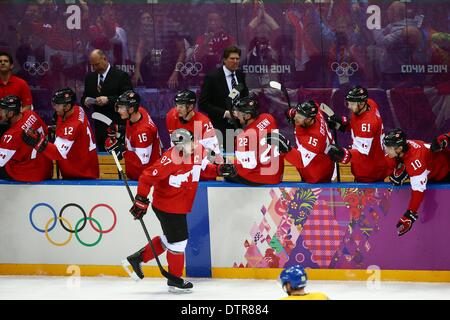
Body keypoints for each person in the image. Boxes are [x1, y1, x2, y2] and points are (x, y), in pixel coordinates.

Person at [121, 128, 234, 293]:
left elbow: (204, 167)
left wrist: (218, 170)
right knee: (179, 242)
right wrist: (141, 200)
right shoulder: (169, 159)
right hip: (167, 206)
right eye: (181, 146)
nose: (187, 148)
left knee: (171, 239)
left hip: (180, 204)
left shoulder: (199, 149)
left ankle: (138, 258)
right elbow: (146, 177)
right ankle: (174, 281)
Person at [383, 128, 450, 236]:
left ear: (399, 149)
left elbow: (418, 192)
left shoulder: (416, 162)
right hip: (435, 162)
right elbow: (387, 161)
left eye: (388, 148)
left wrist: (409, 215)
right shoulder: (404, 146)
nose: (386, 150)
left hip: (445, 170)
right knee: (396, 175)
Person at [22, 88, 99, 179]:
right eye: (54, 104)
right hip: (83, 166)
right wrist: (57, 129)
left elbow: (57, 153)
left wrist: (38, 141)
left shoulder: (72, 126)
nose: (54, 107)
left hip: (80, 175)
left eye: (57, 105)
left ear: (67, 107)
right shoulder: (77, 109)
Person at [326, 86, 391, 182]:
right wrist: (341, 125)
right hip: (376, 162)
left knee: (367, 197)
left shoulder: (367, 125)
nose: (349, 106)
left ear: (361, 103)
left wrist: (343, 154)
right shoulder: (370, 103)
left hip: (369, 173)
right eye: (348, 103)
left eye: (352, 104)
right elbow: (357, 126)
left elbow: (362, 155)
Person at [199, 46, 249, 152]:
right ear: (224, 60)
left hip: (239, 126)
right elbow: (203, 104)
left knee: (240, 158)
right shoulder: (212, 77)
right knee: (226, 161)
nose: (235, 61)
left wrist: (245, 111)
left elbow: (245, 96)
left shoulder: (240, 75)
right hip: (220, 127)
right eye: (232, 58)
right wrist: (225, 113)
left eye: (237, 59)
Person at [81, 49, 132, 151]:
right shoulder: (90, 78)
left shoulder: (121, 76)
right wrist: (85, 101)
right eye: (93, 65)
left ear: (105, 59)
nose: (95, 68)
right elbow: (84, 97)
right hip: (99, 127)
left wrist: (108, 99)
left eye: (97, 64)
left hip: (116, 124)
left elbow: (129, 98)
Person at [226, 96, 284, 185]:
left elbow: (246, 167)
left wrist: (227, 163)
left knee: (226, 171)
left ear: (248, 116)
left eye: (239, 113)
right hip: (277, 175)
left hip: (260, 178)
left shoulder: (243, 137)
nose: (236, 115)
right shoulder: (269, 118)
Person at [105, 90, 162, 180]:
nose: (118, 110)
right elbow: (134, 130)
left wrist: (122, 150)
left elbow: (142, 163)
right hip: (137, 176)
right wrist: (120, 129)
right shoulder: (139, 112)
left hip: (145, 180)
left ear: (131, 109)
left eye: (121, 108)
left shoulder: (143, 132)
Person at [0, 95, 52, 182]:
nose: (0, 113)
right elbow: (46, 132)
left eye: (2, 110)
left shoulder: (11, 135)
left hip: (30, 173)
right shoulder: (30, 114)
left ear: (10, 113)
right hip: (46, 167)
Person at [283, 100, 335, 183]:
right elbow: (316, 105)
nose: (295, 118)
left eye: (299, 117)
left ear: (309, 119)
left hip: (318, 172)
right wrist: (292, 112)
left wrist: (284, 149)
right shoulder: (314, 111)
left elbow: (301, 161)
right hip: (322, 158)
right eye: (297, 113)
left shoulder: (315, 138)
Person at [132, 11, 185, 89]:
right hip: (152, 72)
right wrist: (137, 70)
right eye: (156, 14)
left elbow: (182, 52)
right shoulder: (148, 28)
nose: (158, 17)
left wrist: (175, 73)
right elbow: (139, 50)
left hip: (170, 71)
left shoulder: (174, 27)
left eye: (161, 13)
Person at [166, 89, 221, 162]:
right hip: (180, 157)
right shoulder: (171, 115)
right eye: (176, 105)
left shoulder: (203, 122)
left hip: (200, 159)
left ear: (191, 107)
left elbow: (214, 154)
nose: (177, 109)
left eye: (181, 106)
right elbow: (173, 143)